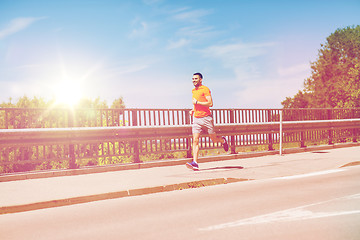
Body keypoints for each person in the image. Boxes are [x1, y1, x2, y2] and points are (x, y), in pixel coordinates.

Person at [186, 72, 229, 170]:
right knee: (195, 140)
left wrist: (197, 102)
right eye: (192, 79)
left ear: (200, 80)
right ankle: (195, 163)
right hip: (196, 119)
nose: (194, 80)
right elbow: (195, 103)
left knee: (213, 139)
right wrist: (193, 109)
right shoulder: (193, 90)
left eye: (196, 79)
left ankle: (222, 140)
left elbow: (210, 103)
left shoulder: (205, 89)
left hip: (206, 118)